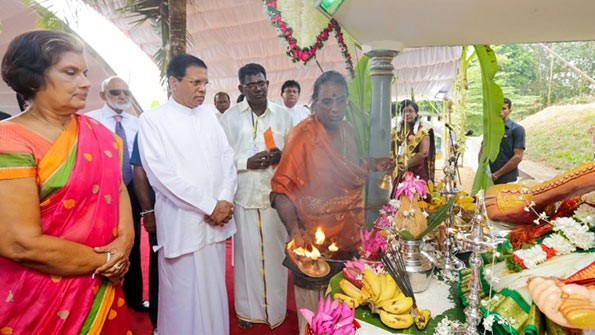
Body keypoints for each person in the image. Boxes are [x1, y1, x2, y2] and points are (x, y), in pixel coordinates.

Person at [0, 30, 133, 334]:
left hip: (102, 287)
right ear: (33, 78)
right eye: (70, 72)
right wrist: (110, 259)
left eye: (85, 73)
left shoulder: (99, 134)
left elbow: (118, 187)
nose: (85, 82)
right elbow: (19, 243)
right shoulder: (8, 141)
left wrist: (124, 243)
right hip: (36, 297)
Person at [270, 71, 393, 334]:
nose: (334, 108)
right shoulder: (303, 135)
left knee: (347, 315)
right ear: (314, 102)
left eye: (340, 100)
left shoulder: (348, 130)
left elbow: (350, 168)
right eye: (327, 101)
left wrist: (373, 165)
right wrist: (295, 231)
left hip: (350, 238)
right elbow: (281, 190)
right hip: (315, 243)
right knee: (315, 320)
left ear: (348, 101)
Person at [138, 53, 236, 335]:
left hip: (214, 224)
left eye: (205, 82)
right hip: (183, 223)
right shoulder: (153, 120)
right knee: (182, 299)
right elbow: (161, 175)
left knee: (214, 293)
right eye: (196, 82)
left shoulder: (209, 116)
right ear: (173, 82)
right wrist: (209, 206)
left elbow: (227, 159)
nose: (203, 89)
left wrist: (225, 200)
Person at [219, 63, 293, 329]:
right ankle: (247, 310)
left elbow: (294, 152)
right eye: (252, 84)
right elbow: (221, 157)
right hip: (245, 195)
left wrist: (281, 155)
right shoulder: (229, 118)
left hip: (275, 198)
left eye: (262, 83)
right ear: (241, 88)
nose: (258, 88)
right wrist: (245, 162)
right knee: (246, 257)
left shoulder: (283, 115)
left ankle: (275, 311)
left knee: (276, 256)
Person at [86, 76, 147, 312]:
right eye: (115, 92)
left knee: (132, 241)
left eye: (126, 92)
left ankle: (133, 298)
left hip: (132, 189)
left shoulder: (138, 123)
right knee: (100, 240)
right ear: (103, 95)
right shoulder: (90, 121)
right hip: (100, 189)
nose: (122, 97)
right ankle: (98, 298)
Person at [130, 133, 159, 334]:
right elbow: (139, 172)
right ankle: (159, 321)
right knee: (159, 263)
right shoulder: (150, 126)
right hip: (161, 211)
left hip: (196, 212)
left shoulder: (203, 121)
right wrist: (148, 211)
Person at [391, 99, 435, 192]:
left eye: (410, 111)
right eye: (404, 111)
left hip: (417, 173)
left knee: (416, 201)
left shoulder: (422, 131)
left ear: (416, 114)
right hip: (399, 172)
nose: (407, 114)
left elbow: (424, 153)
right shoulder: (396, 131)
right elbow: (391, 150)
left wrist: (406, 164)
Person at [487, 97, 525, 184]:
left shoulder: (517, 129)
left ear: (510, 111)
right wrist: (483, 171)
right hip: (488, 178)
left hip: (508, 180)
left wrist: (496, 175)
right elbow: (483, 150)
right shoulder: (490, 129)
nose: (500, 111)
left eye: (504, 108)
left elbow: (518, 156)